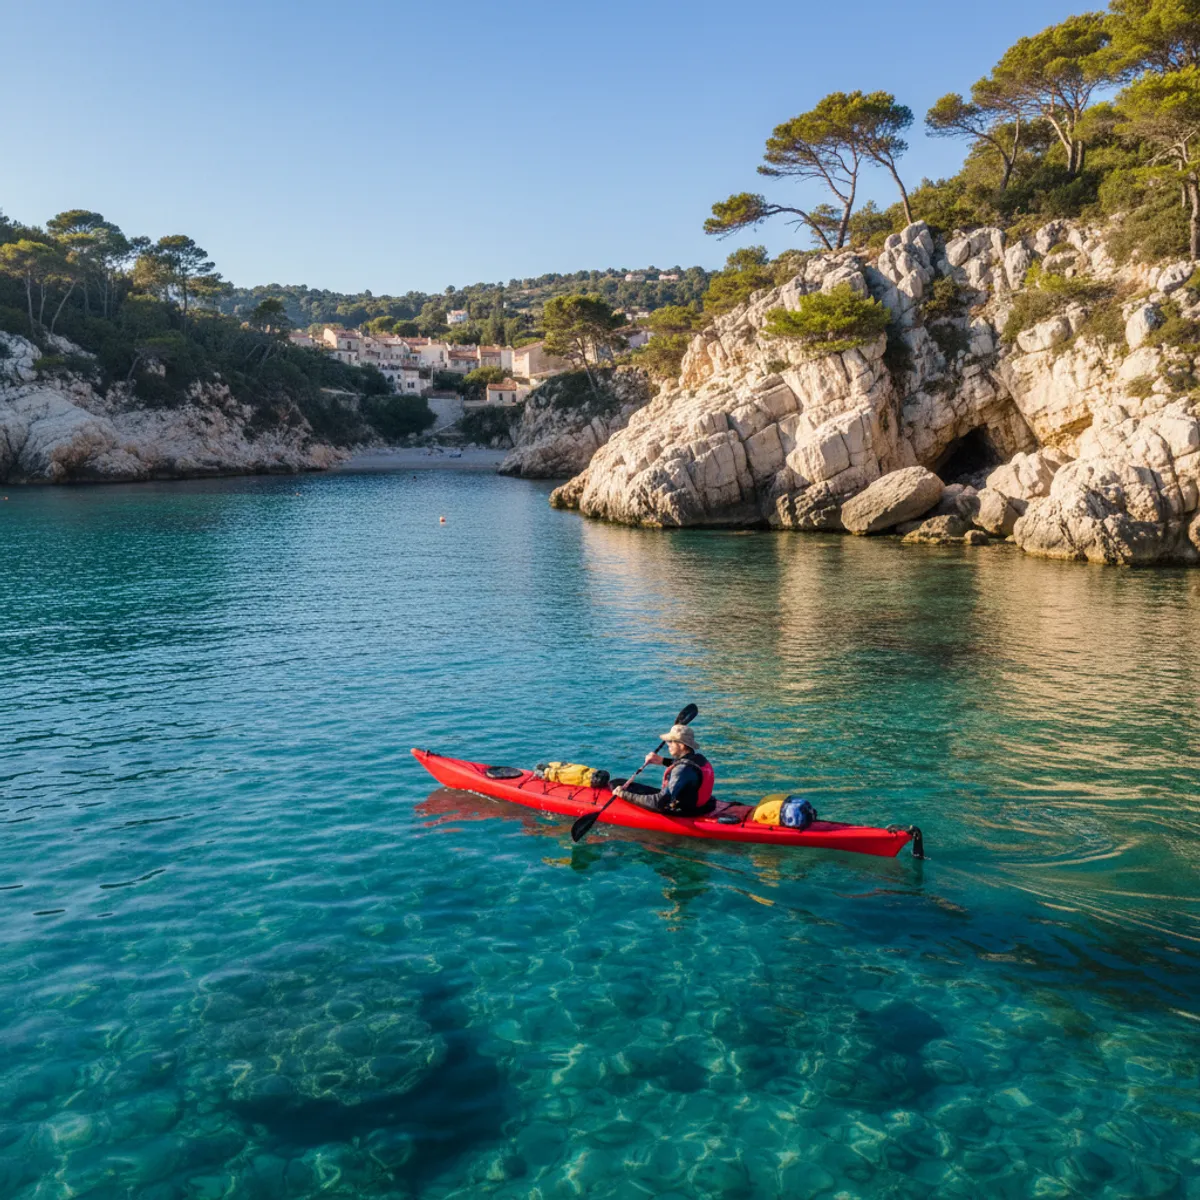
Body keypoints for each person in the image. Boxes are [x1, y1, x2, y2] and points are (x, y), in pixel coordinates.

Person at [612, 724, 716, 817]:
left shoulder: (682, 770)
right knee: (618, 782)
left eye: (671, 741)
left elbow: (659, 803)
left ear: (681, 745)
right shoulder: (699, 759)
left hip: (686, 810)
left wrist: (623, 795)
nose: (668, 745)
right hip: (704, 805)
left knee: (618, 786)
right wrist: (661, 761)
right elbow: (687, 768)